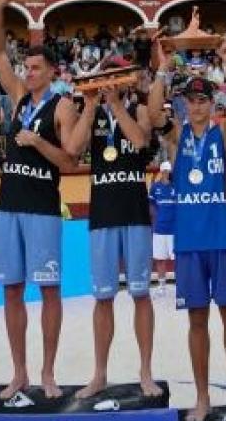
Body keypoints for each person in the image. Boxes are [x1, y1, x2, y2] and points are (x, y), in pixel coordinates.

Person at [147, 36, 226, 421]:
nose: (197, 104)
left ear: (211, 102)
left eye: (203, 99)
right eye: (191, 100)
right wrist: (162, 68)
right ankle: (203, 397)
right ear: (186, 104)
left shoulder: (222, 134)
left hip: (223, 239)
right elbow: (154, 110)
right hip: (189, 244)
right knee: (196, 322)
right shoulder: (177, 137)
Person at [0, 0, 79, 401]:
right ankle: (19, 371)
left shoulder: (62, 106)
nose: (29, 71)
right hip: (9, 204)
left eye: (36, 67)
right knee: (11, 290)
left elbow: (70, 161)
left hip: (43, 206)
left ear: (52, 72)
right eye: (27, 66)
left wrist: (38, 141)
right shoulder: (19, 95)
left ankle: (48, 371)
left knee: (49, 291)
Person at [65, 76, 160, 398]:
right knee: (103, 297)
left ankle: (146, 370)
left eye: (115, 79)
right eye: (104, 79)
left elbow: (139, 141)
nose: (108, 84)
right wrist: (91, 105)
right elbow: (74, 148)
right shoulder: (89, 112)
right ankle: (99, 374)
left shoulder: (139, 109)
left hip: (134, 212)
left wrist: (116, 104)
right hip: (103, 214)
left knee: (140, 294)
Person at [149, 160, 176, 294]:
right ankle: (162, 285)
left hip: (174, 230)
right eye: (165, 171)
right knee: (160, 258)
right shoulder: (155, 187)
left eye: (169, 171)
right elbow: (151, 205)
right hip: (159, 229)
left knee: (178, 258)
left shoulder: (176, 186)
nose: (167, 174)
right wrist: (155, 221)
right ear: (161, 172)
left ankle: (180, 284)